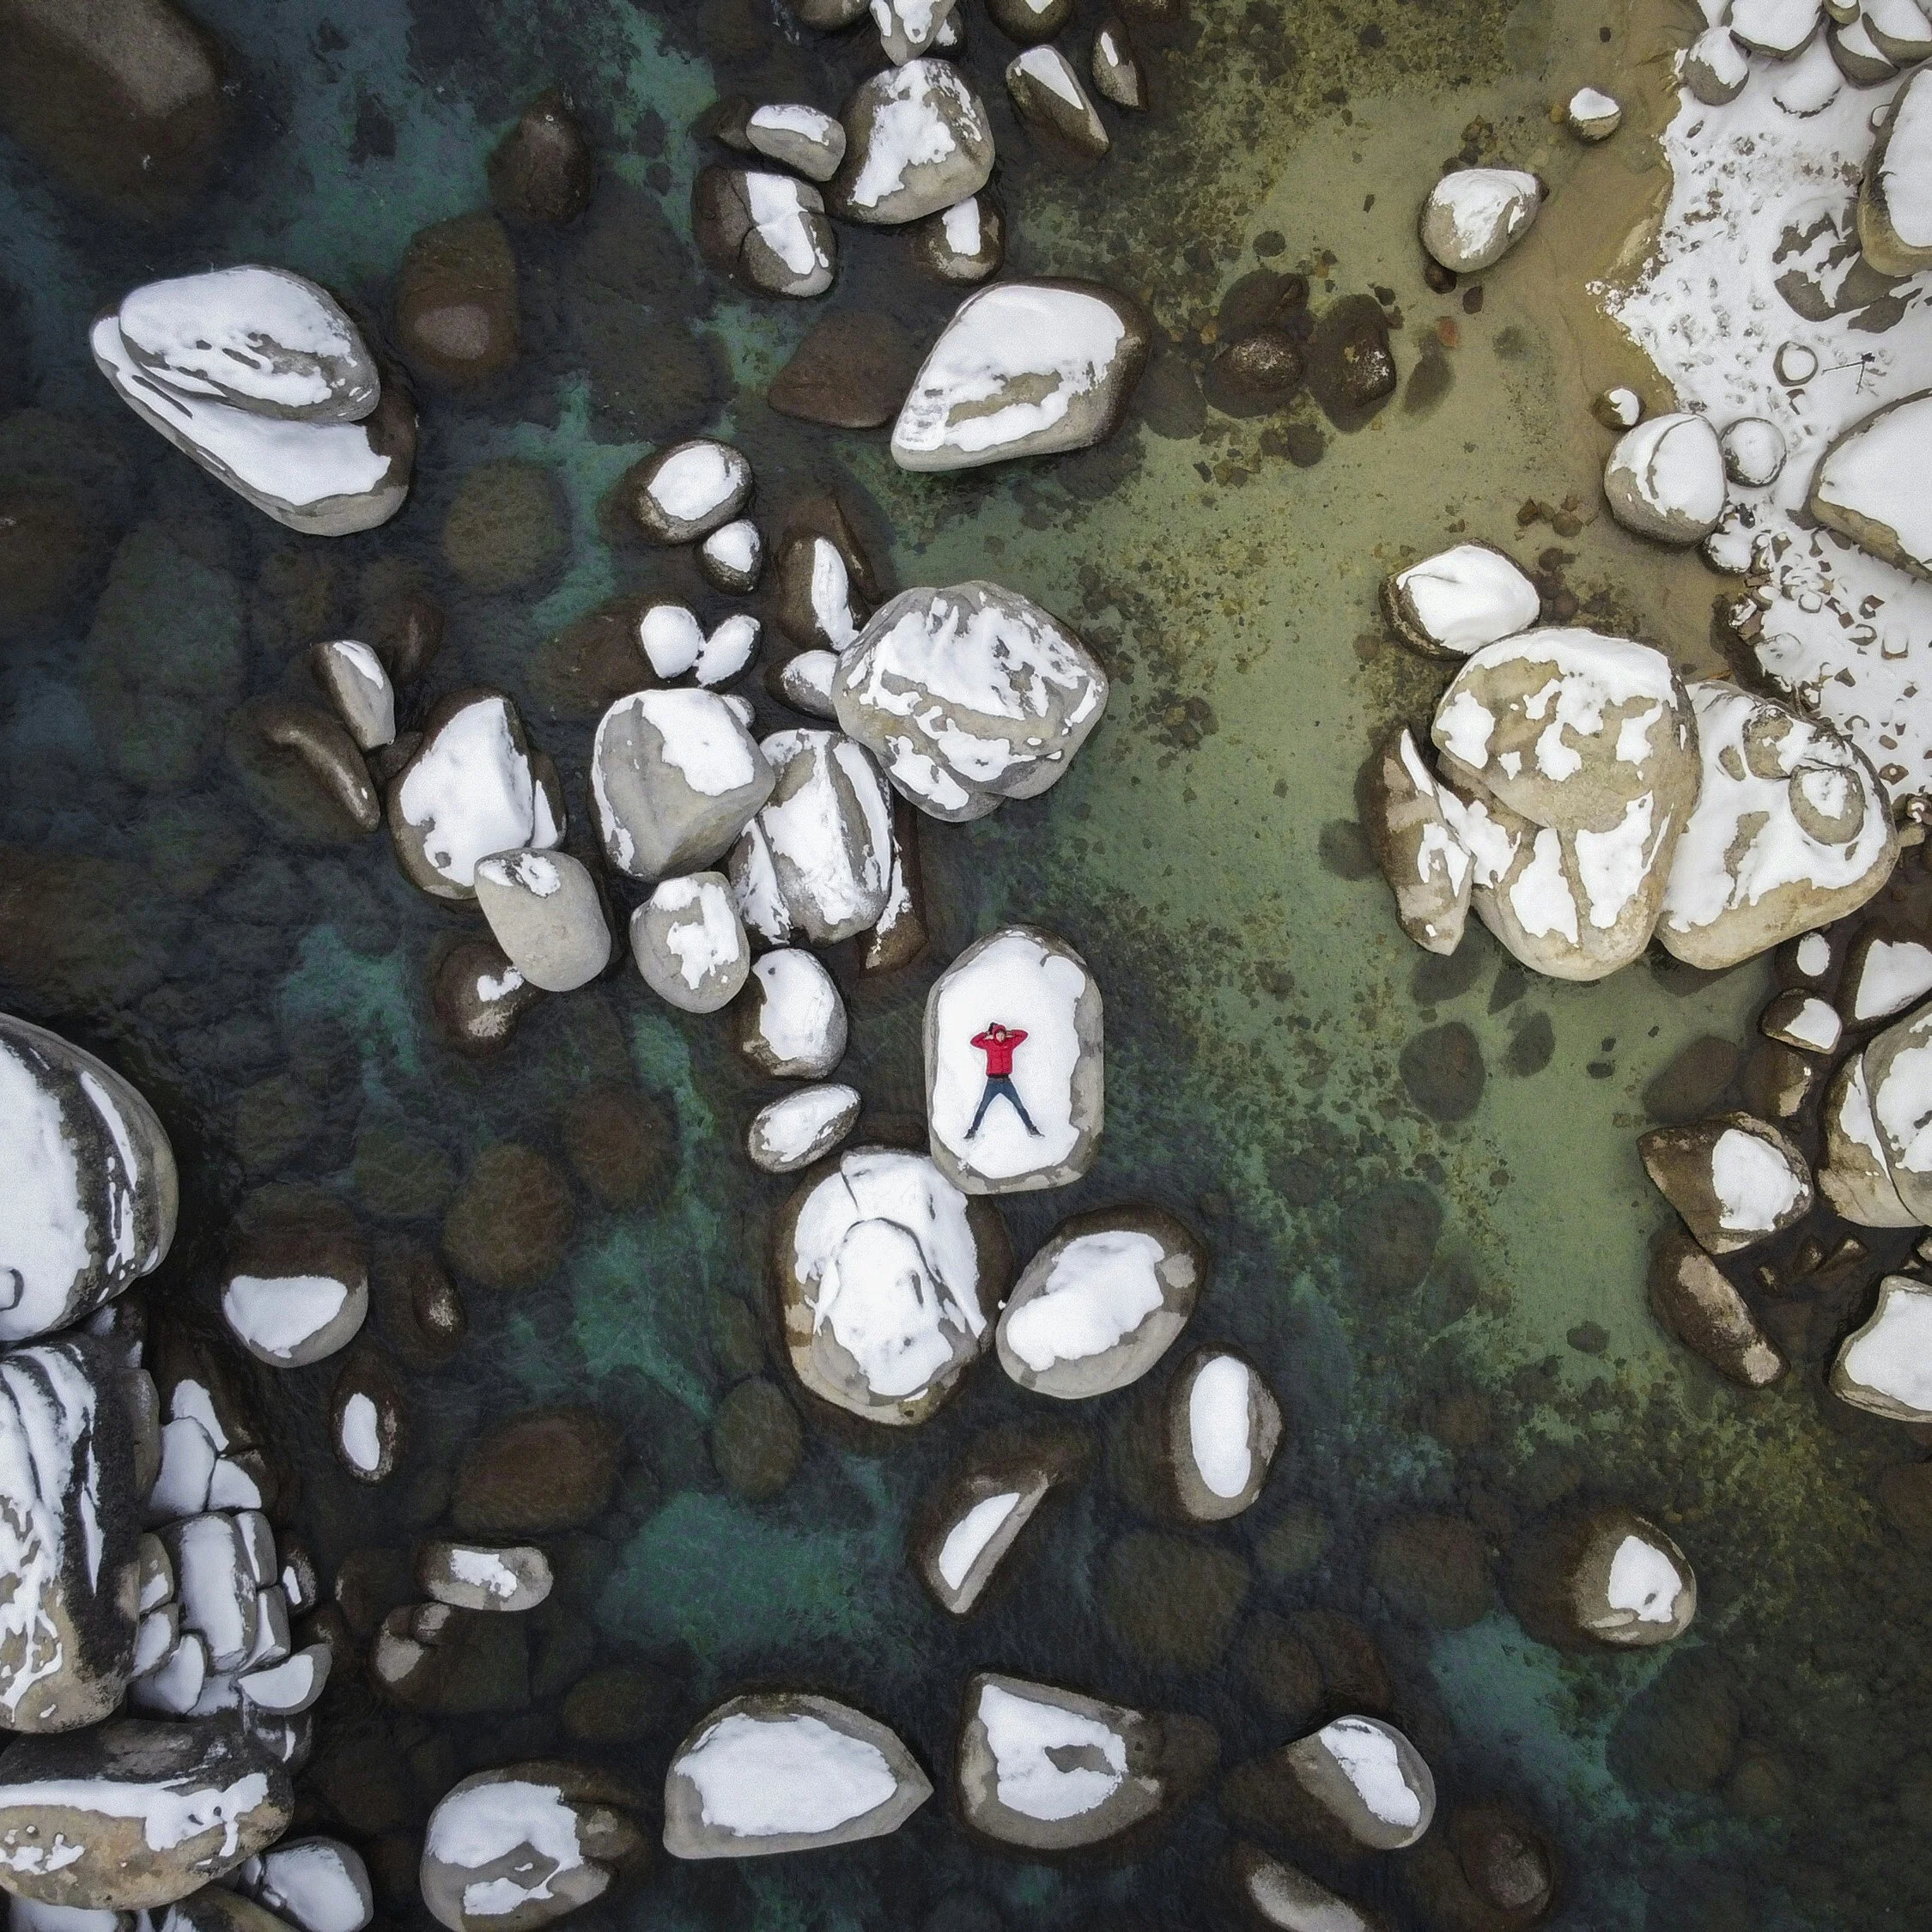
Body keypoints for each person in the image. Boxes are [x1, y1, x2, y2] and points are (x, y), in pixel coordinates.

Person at [965, 1021, 1042, 1138]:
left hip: (1006, 1082)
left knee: (1019, 1105)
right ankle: (973, 1131)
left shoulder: (1010, 1043)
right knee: (983, 1107)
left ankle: (1031, 1128)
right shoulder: (989, 1044)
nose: (1000, 1037)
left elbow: (1024, 1034)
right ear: (994, 1035)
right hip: (992, 1083)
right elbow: (973, 1042)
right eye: (998, 1035)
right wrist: (986, 1034)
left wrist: (1010, 1033)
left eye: (1002, 1035)